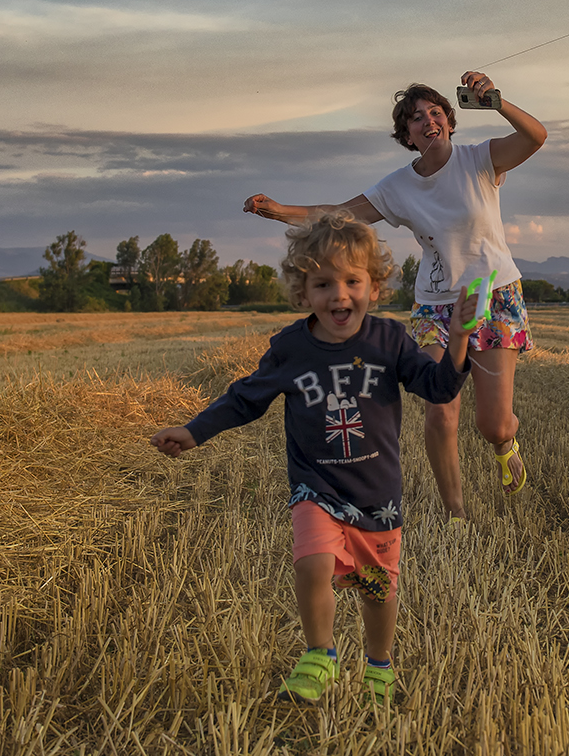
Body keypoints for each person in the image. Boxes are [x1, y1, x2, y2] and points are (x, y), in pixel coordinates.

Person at [150, 213, 472, 705]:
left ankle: (378, 662)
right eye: (323, 284)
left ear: (375, 286)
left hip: (377, 494)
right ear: (303, 292)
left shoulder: (389, 342)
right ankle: (320, 654)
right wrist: (194, 431)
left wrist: (459, 343)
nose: (339, 295)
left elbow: (438, 387)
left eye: (351, 281)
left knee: (377, 590)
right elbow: (243, 399)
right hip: (314, 486)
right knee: (312, 563)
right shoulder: (290, 349)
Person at [242, 70, 546, 522]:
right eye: (417, 118)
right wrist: (281, 211)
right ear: (406, 135)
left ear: (449, 119)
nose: (429, 121)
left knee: (492, 423)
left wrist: (495, 100)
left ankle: (505, 443)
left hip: (493, 294)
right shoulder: (397, 187)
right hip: (436, 305)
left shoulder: (481, 160)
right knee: (440, 412)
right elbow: (341, 213)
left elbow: (535, 137)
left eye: (436, 112)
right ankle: (455, 513)